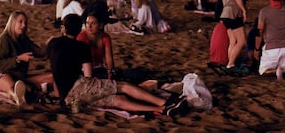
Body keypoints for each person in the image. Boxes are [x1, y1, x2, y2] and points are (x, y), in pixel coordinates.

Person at [46, 14, 187, 116]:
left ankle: (162, 110)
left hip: (67, 98)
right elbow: (88, 76)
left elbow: (53, 69)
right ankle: (163, 103)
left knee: (117, 100)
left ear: (64, 28)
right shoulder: (81, 46)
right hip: (78, 87)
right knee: (122, 86)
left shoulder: (53, 43)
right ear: (79, 29)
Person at [0, 10, 54, 105]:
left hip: (21, 77)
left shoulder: (24, 39)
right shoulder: (4, 39)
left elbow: (39, 52)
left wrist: (48, 45)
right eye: (20, 22)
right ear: (13, 22)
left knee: (51, 77)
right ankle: (14, 95)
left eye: (25, 23)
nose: (23, 25)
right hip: (4, 76)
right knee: (13, 87)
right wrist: (18, 59)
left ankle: (23, 92)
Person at [255, 0, 285, 80]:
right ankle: (283, 71)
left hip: (271, 49)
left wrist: (256, 49)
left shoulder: (264, 12)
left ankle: (275, 71)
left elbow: (260, 31)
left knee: (263, 72)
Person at [219, 0, 247, 72]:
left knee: (233, 40)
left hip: (225, 13)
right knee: (241, 41)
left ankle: (229, 63)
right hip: (233, 13)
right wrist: (243, 9)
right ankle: (230, 64)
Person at [77, 11, 114, 79]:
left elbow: (109, 58)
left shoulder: (105, 37)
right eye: (87, 23)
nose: (89, 26)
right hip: (84, 68)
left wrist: (110, 72)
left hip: (98, 67)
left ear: (100, 25)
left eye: (93, 23)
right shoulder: (82, 37)